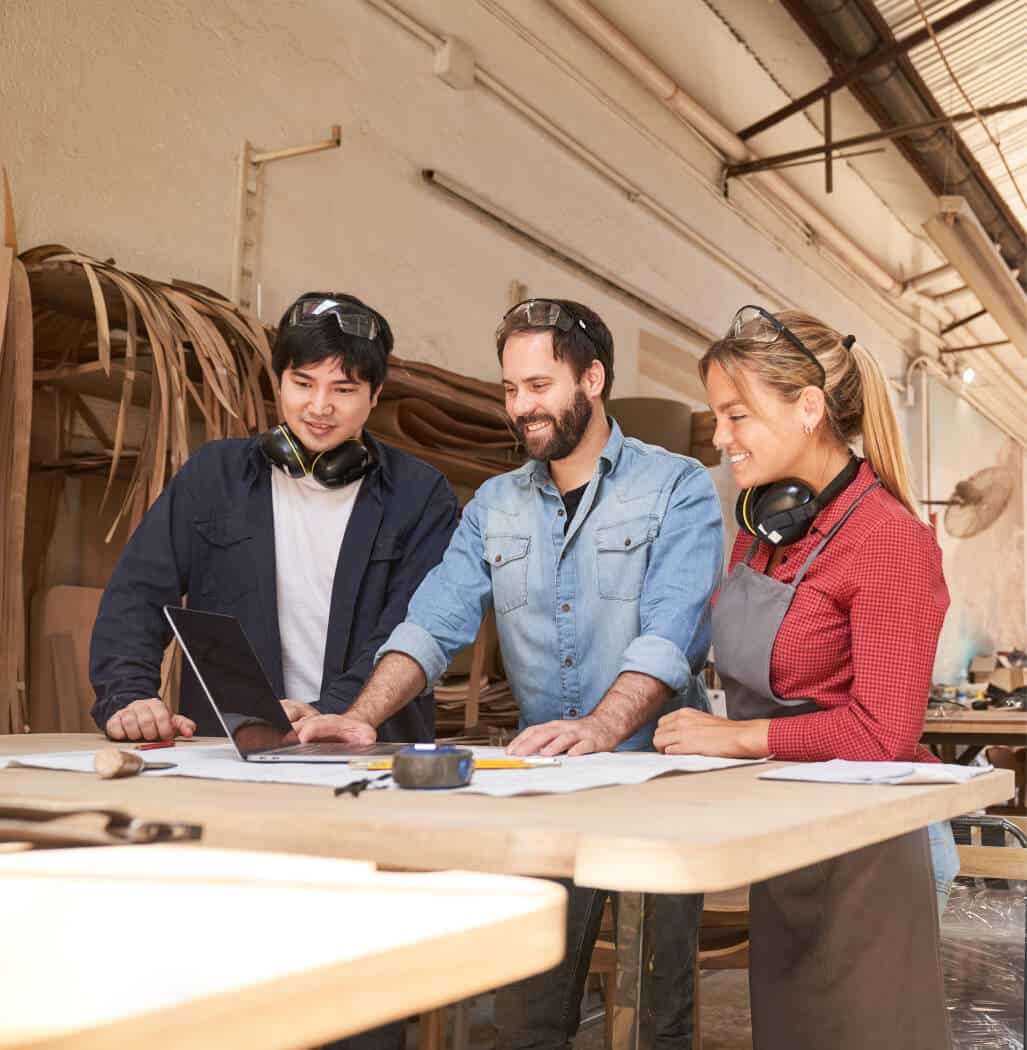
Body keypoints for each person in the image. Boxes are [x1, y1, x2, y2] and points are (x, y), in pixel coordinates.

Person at [292, 298, 724, 1050]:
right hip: (544, 783)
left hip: (657, 783)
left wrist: (599, 726)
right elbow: (432, 624)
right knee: (525, 1016)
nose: (521, 407)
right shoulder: (495, 504)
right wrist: (364, 714)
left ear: (591, 378)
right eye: (509, 389)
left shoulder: (675, 487)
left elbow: (669, 633)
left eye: (538, 385)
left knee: (657, 1012)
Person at [654, 306, 957, 1050]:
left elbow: (883, 734)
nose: (720, 439)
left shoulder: (889, 542)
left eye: (736, 416)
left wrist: (735, 737)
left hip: (868, 856)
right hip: (788, 843)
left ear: (809, 407)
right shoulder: (761, 537)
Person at [90, 291, 458, 749]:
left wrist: (332, 709)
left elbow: (411, 626)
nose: (319, 407)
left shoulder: (419, 495)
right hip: (227, 751)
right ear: (279, 380)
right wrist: (129, 695)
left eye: (343, 389)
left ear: (375, 394)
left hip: (369, 750)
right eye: (302, 383)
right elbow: (138, 594)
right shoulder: (213, 476)